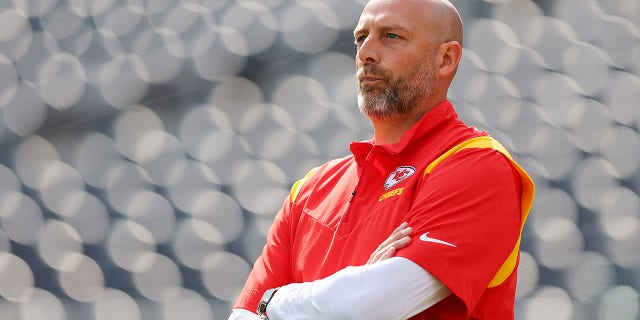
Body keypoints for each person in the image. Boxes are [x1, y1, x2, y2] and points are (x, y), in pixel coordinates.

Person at [228, 0, 535, 319]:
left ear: (445, 59)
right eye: (361, 38)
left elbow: (367, 307)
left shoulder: (477, 164)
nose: (366, 53)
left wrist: (275, 302)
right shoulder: (308, 191)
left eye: (391, 36)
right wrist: (352, 288)